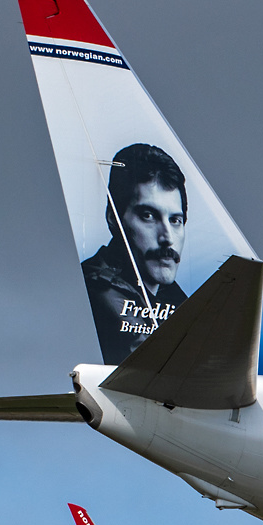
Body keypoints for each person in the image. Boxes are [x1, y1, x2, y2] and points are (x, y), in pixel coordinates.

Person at [81, 143, 190, 362]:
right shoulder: (99, 291)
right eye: (148, 215)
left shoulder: (173, 301)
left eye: (175, 220)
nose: (167, 237)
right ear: (114, 218)